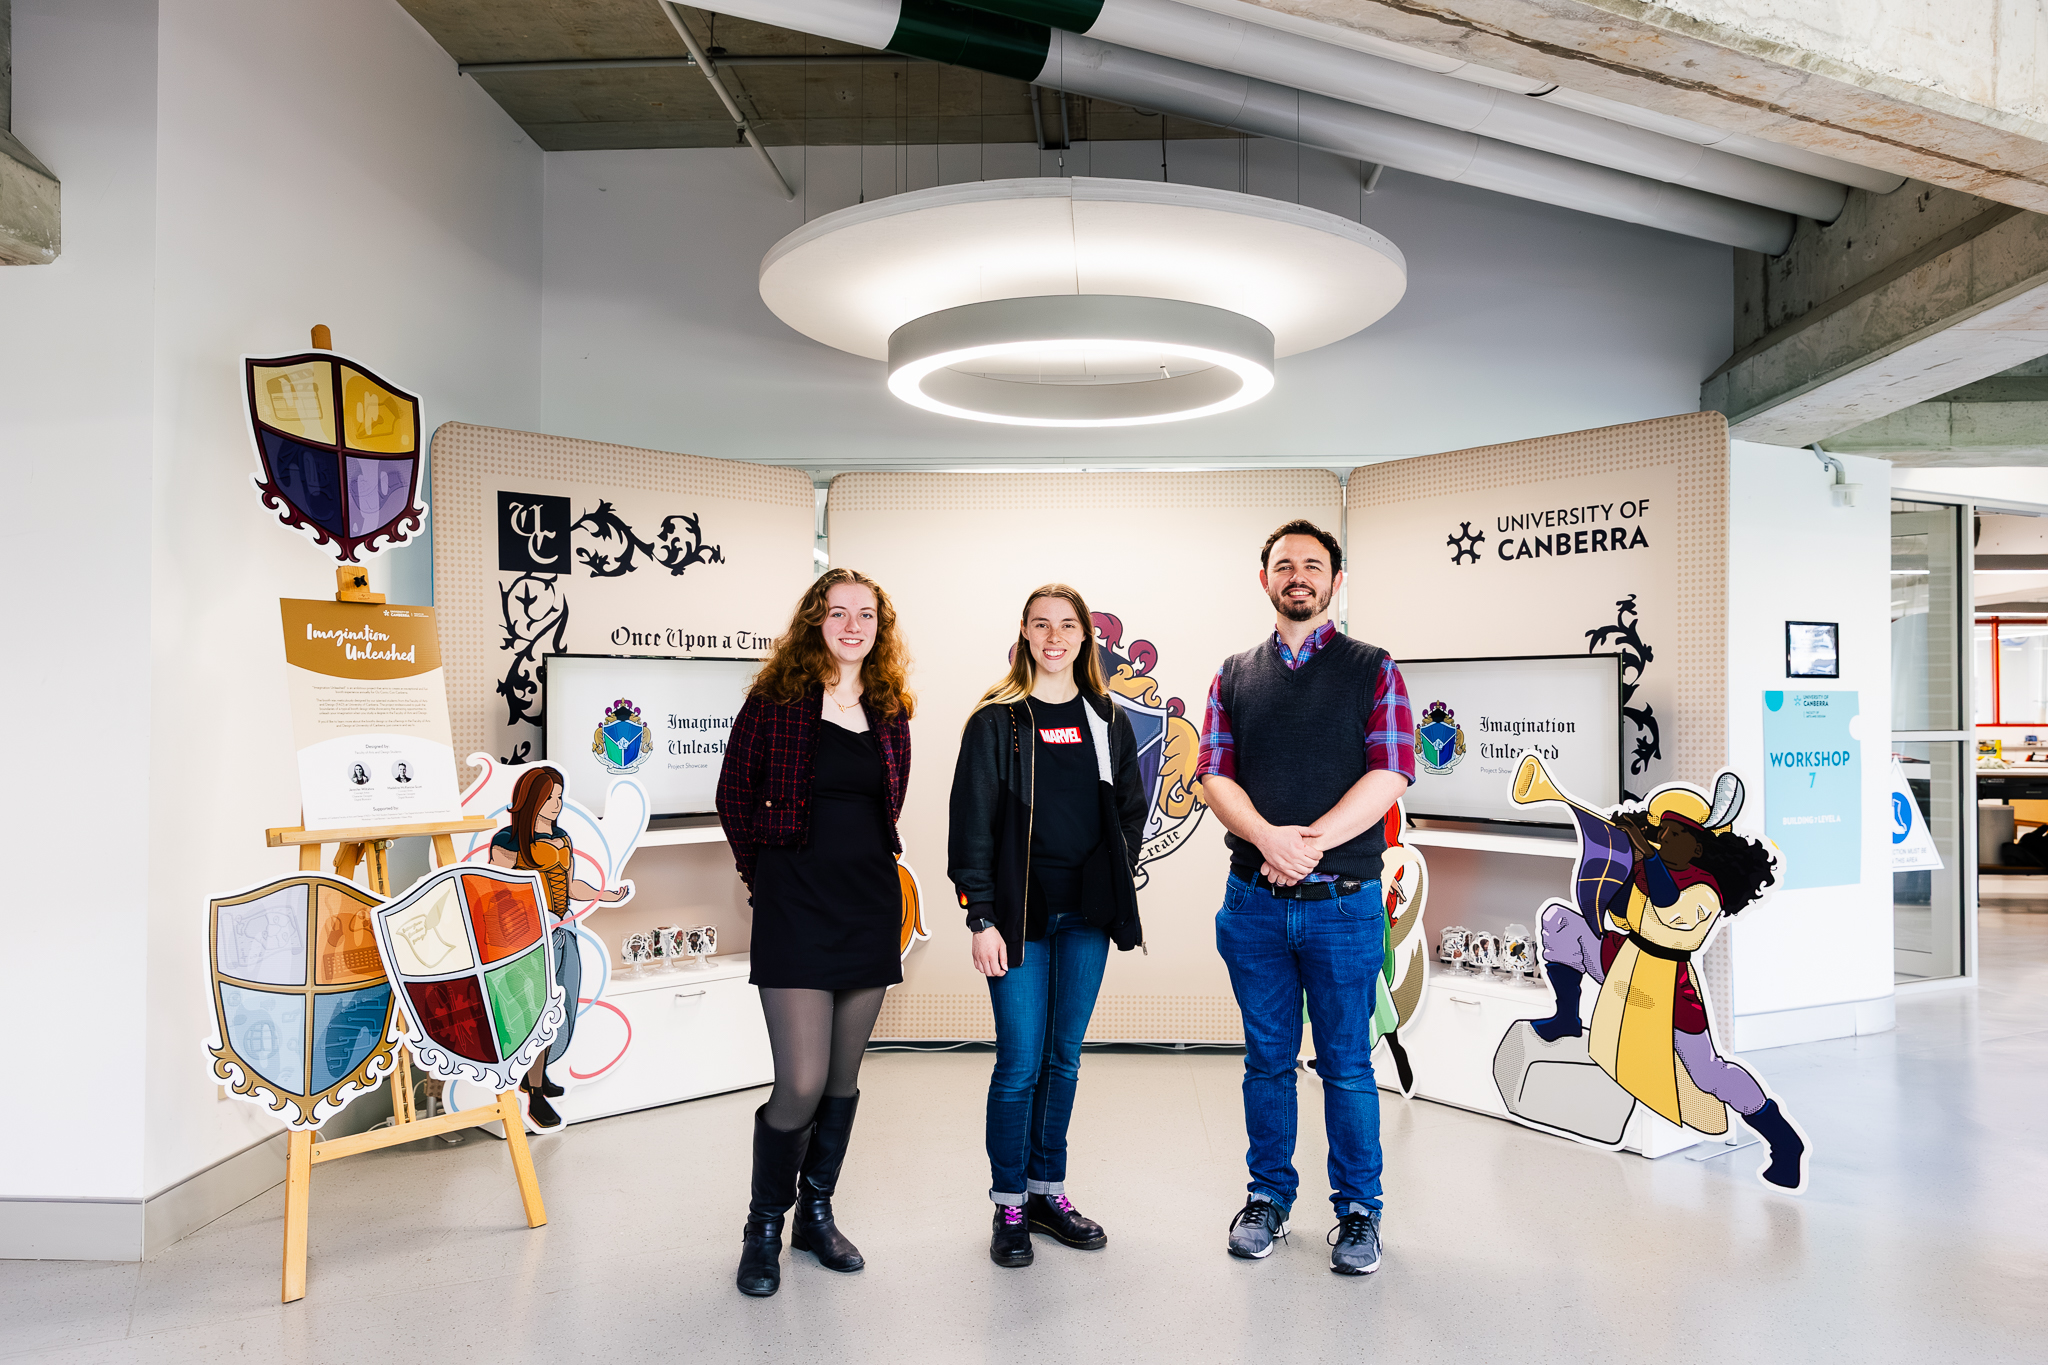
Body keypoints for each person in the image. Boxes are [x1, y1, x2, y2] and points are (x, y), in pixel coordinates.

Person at [1196, 519, 1414, 1276]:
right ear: (1265, 580)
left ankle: (1359, 1212)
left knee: (1348, 1064)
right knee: (1267, 1061)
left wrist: (1307, 841)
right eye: (1284, 564)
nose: (1298, 575)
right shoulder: (1233, 674)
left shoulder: (1374, 669)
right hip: (1253, 904)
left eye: (1312, 565)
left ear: (1335, 581)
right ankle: (1268, 1198)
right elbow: (1213, 775)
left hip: (1343, 905)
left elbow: (1391, 771)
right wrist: (1267, 840)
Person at [715, 567, 914, 1298]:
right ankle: (763, 1223)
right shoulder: (774, 701)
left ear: (879, 628)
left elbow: (887, 804)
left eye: (866, 614)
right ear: (815, 621)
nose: (852, 625)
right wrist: (759, 876)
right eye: (838, 612)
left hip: (867, 904)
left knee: (840, 1079)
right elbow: (733, 794)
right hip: (795, 903)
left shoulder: (890, 708)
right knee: (797, 1081)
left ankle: (817, 1214)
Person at [949, 584, 1147, 1269]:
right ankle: (1008, 1201)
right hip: (1019, 919)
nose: (1055, 636)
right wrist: (981, 915)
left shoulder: (1106, 720)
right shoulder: (997, 721)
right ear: (1026, 634)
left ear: (1085, 637)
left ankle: (1046, 1192)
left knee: (1064, 1059)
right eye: (1042, 624)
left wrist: (1111, 875)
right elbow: (970, 827)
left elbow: (1130, 809)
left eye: (1067, 625)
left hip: (1085, 918)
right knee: (1019, 1063)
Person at [1528, 781, 1805, 1190]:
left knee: (1709, 1074)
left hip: (1667, 989)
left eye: (1676, 833)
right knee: (1558, 920)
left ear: (1697, 847)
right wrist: (1615, 852)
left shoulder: (1706, 889)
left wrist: (1642, 851)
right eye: (1662, 830)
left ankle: (1784, 1142)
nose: (1663, 837)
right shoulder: (1644, 867)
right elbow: (1620, 914)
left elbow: (1667, 905)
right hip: (1624, 963)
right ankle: (1567, 1016)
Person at [488, 765, 631, 1131]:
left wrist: (603, 894)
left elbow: (568, 886)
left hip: (562, 929)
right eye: (549, 796)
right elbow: (496, 890)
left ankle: (538, 1075)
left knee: (562, 1003)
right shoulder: (507, 841)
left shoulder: (563, 837)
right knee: (536, 1009)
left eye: (559, 797)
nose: (556, 804)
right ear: (530, 798)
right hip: (527, 938)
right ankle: (534, 1092)